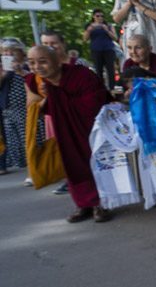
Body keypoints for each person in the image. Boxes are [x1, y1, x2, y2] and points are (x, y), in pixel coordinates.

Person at [25, 45, 111, 222]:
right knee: (72, 164)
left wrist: (61, 102)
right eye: (32, 62)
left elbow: (98, 99)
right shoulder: (36, 82)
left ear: (57, 61)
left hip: (89, 127)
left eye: (43, 61)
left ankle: (101, 203)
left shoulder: (81, 74)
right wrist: (49, 99)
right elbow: (33, 107)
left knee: (94, 161)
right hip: (63, 128)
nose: (37, 67)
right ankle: (83, 204)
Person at [0, 38, 28, 176]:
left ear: (20, 52)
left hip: (24, 108)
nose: (8, 54)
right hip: (7, 108)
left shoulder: (27, 65)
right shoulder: (2, 68)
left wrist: (21, 70)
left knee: (27, 139)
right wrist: (4, 74)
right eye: (5, 51)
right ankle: (24, 164)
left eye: (12, 51)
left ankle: (34, 169)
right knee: (13, 140)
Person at [84, 9, 118, 89]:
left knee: (111, 70)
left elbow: (115, 38)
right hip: (96, 50)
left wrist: (106, 30)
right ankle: (100, 88)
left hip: (108, 49)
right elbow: (85, 39)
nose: (100, 18)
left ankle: (112, 88)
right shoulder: (89, 26)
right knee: (98, 70)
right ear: (93, 17)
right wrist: (89, 30)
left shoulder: (108, 25)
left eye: (102, 16)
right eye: (97, 16)